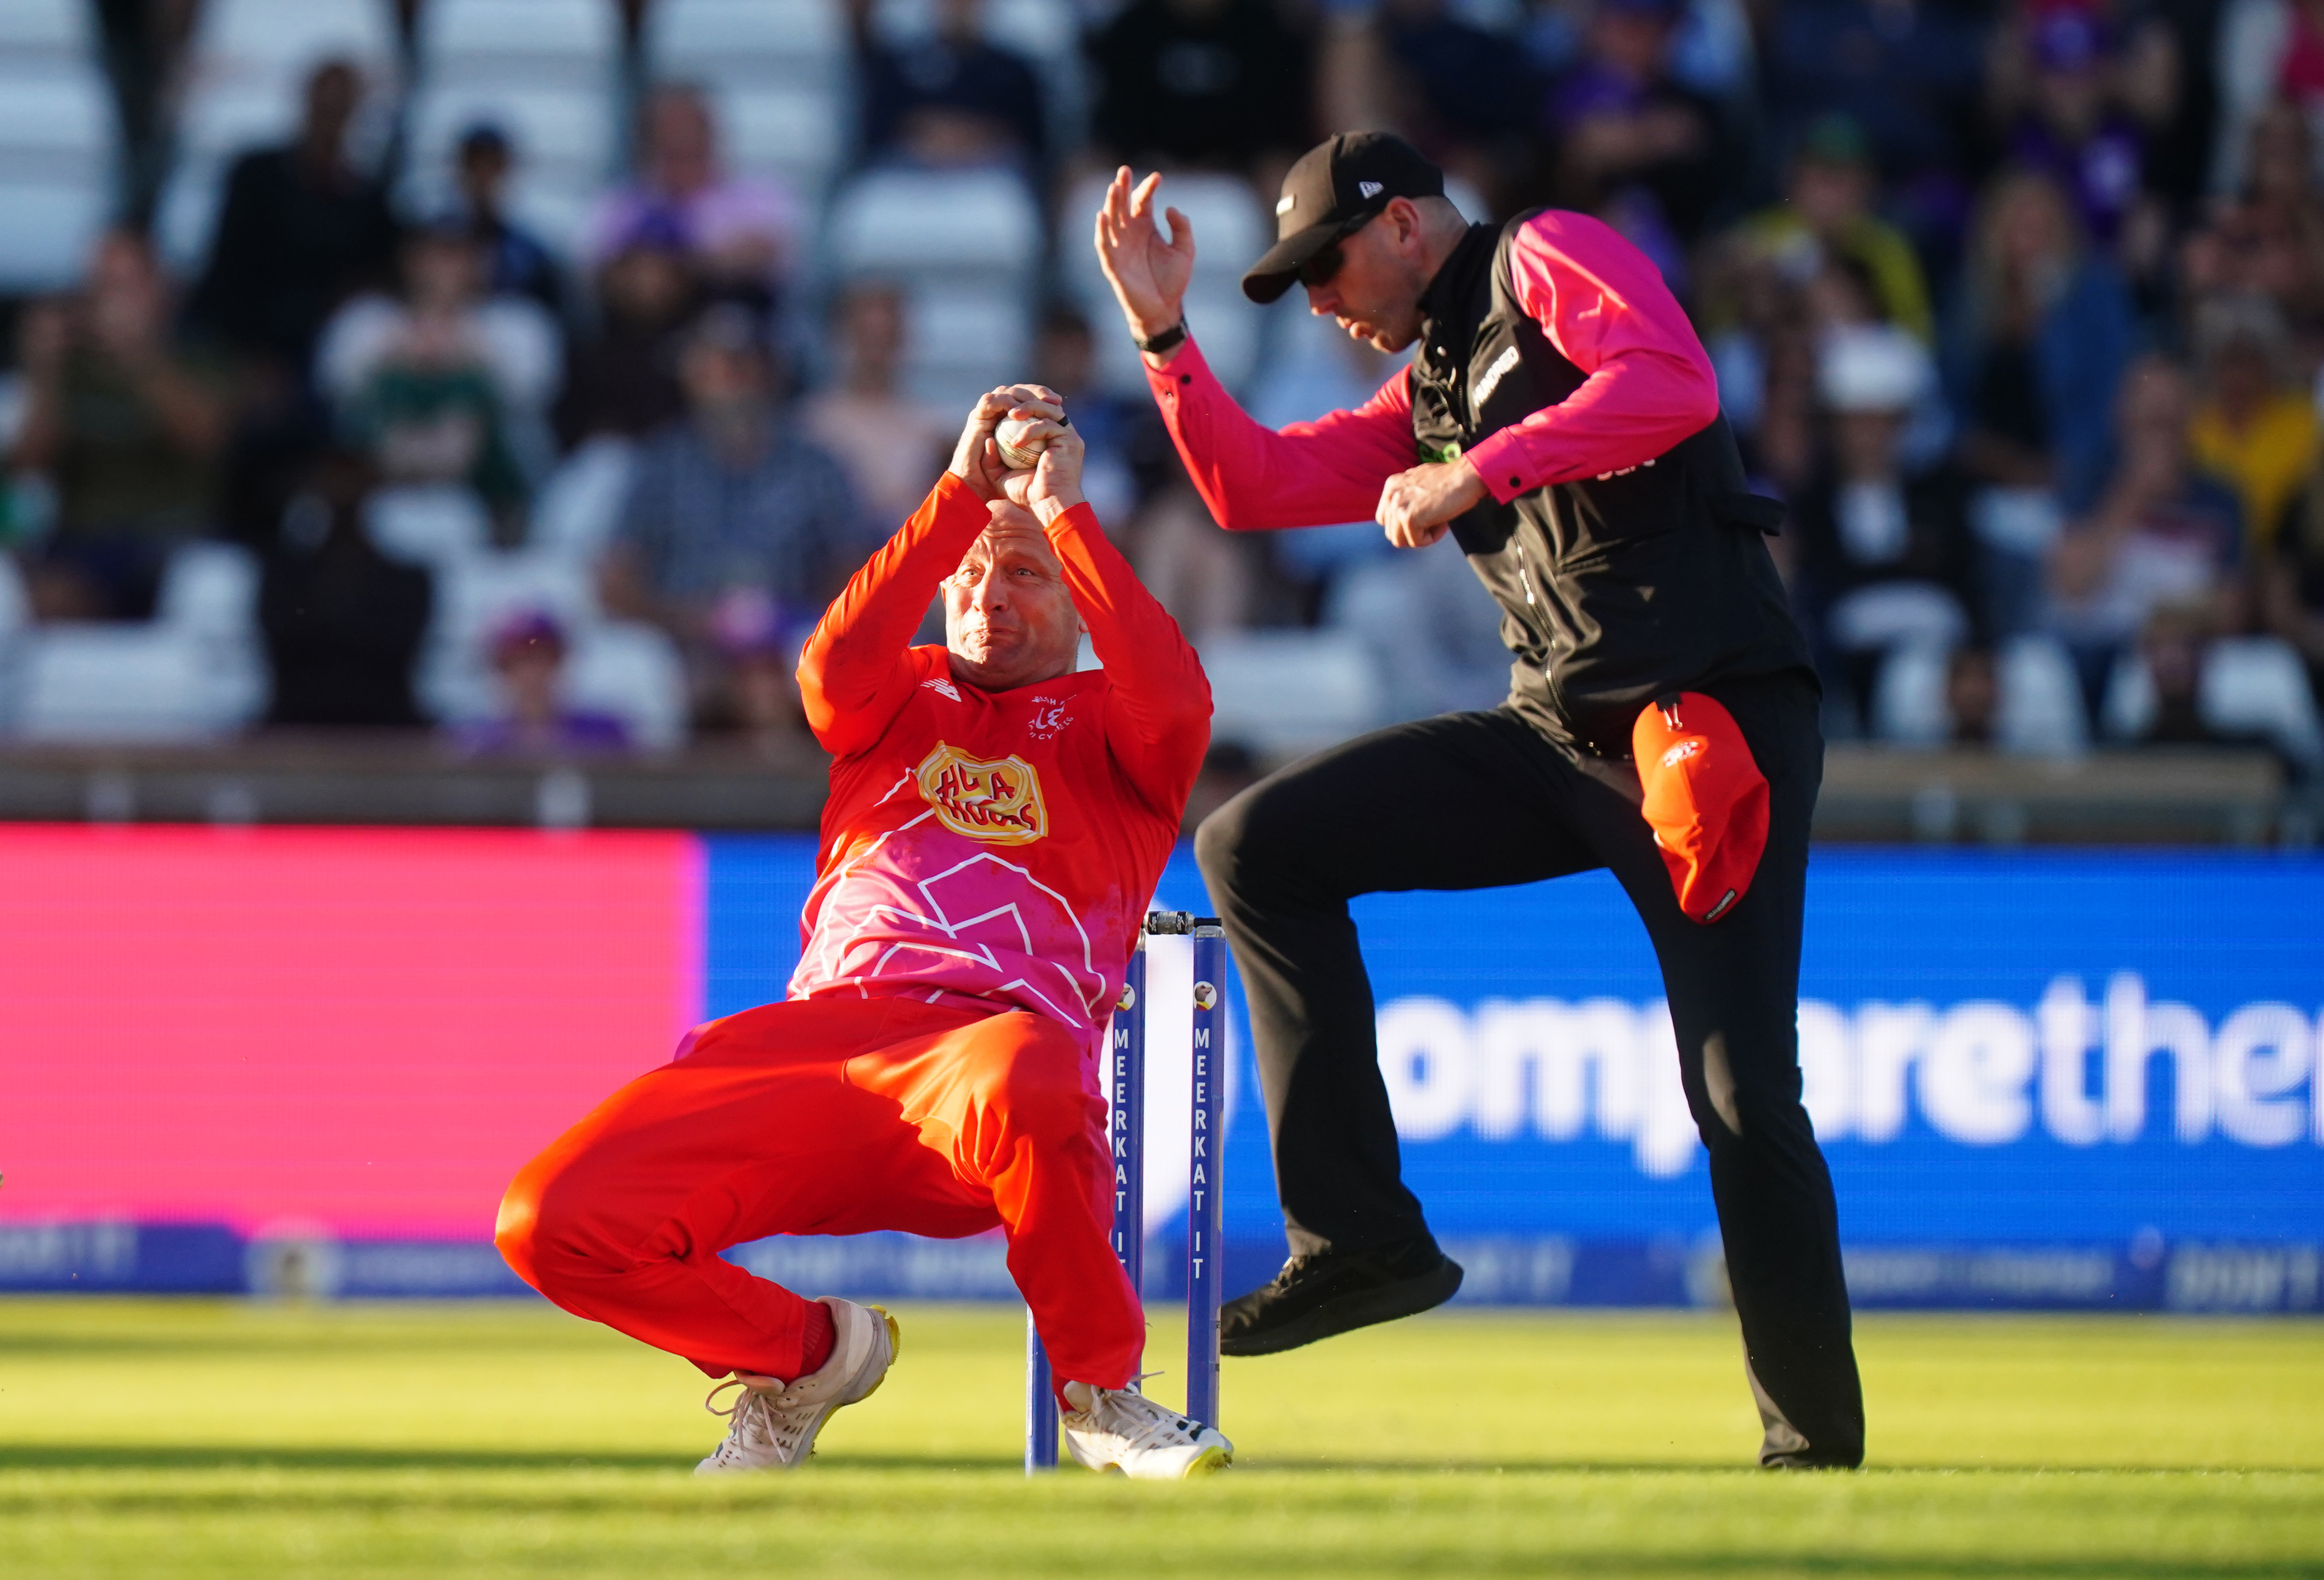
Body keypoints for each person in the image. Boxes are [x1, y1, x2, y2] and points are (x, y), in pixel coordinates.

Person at [1093, 132, 1865, 1468]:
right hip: (1558, 737)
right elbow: (1249, 484)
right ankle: (1360, 1241)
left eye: (1323, 264)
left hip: (1705, 728)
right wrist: (1164, 339)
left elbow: (1672, 385)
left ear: (1400, 225)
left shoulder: (1544, 253)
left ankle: (1811, 1450)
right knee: (1254, 844)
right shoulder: (1430, 385)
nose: (1319, 299)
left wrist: (1478, 471)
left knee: (1740, 1095)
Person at [495, 386, 1230, 1479]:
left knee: (1025, 1064)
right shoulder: (902, 693)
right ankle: (803, 1357)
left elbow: (1174, 699)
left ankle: (1099, 1396)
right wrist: (959, 500)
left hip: (977, 1066)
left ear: (1075, 602)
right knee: (549, 1216)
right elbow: (827, 671)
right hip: (817, 1048)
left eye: (1021, 574)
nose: (985, 594)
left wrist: (1063, 516)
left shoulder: (1114, 728)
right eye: (971, 575)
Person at [599, 304, 863, 729]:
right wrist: (685, 621)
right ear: (692, 374)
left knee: (831, 664)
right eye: (715, 365)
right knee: (644, 672)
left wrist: (796, 621)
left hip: (795, 637)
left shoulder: (816, 464)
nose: (729, 379)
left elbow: (855, 566)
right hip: (683, 640)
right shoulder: (660, 463)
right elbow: (616, 579)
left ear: (768, 372)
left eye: (742, 365)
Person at [10, 230, 234, 621]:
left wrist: (137, 356)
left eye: (125, 286)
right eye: (101, 286)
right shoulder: (72, 367)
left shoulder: (198, 355)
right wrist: (42, 371)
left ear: (161, 290)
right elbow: (29, 466)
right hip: (83, 543)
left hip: (171, 541)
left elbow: (206, 439)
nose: (111, 301)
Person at [187, 60, 399, 375]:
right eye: (325, 102)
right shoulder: (255, 175)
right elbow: (229, 270)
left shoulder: (368, 200)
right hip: (239, 343)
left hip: (322, 353)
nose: (331, 114)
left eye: (341, 105)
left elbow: (370, 285)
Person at [581, 86, 800, 306]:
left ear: (711, 132)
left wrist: (674, 268)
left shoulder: (758, 195)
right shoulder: (621, 204)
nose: (681, 137)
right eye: (669, 128)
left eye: (689, 126)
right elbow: (596, 271)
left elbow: (762, 254)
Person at [449, 610, 631, 758]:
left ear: (559, 662)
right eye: (515, 663)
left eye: (538, 660)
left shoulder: (604, 731)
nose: (529, 674)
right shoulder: (476, 740)